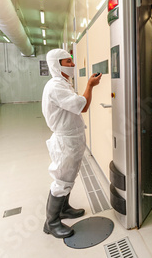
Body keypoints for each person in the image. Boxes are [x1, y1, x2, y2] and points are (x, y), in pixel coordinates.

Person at [41, 49, 102, 238]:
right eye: (68, 62)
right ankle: (51, 223)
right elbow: (82, 106)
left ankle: (64, 209)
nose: (73, 65)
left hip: (72, 138)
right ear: (57, 64)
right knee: (61, 180)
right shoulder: (55, 87)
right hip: (65, 141)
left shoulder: (63, 83)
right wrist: (90, 85)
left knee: (69, 176)